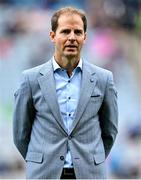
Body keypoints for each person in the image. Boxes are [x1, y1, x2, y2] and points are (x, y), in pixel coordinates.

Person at [13, 6, 118, 179]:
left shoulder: (103, 79)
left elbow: (110, 132)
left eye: (77, 32)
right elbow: (20, 134)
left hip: (89, 174)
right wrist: (41, 161)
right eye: (65, 31)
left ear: (85, 37)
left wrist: (90, 161)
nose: (71, 37)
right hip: (44, 174)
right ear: (53, 36)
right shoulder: (30, 80)